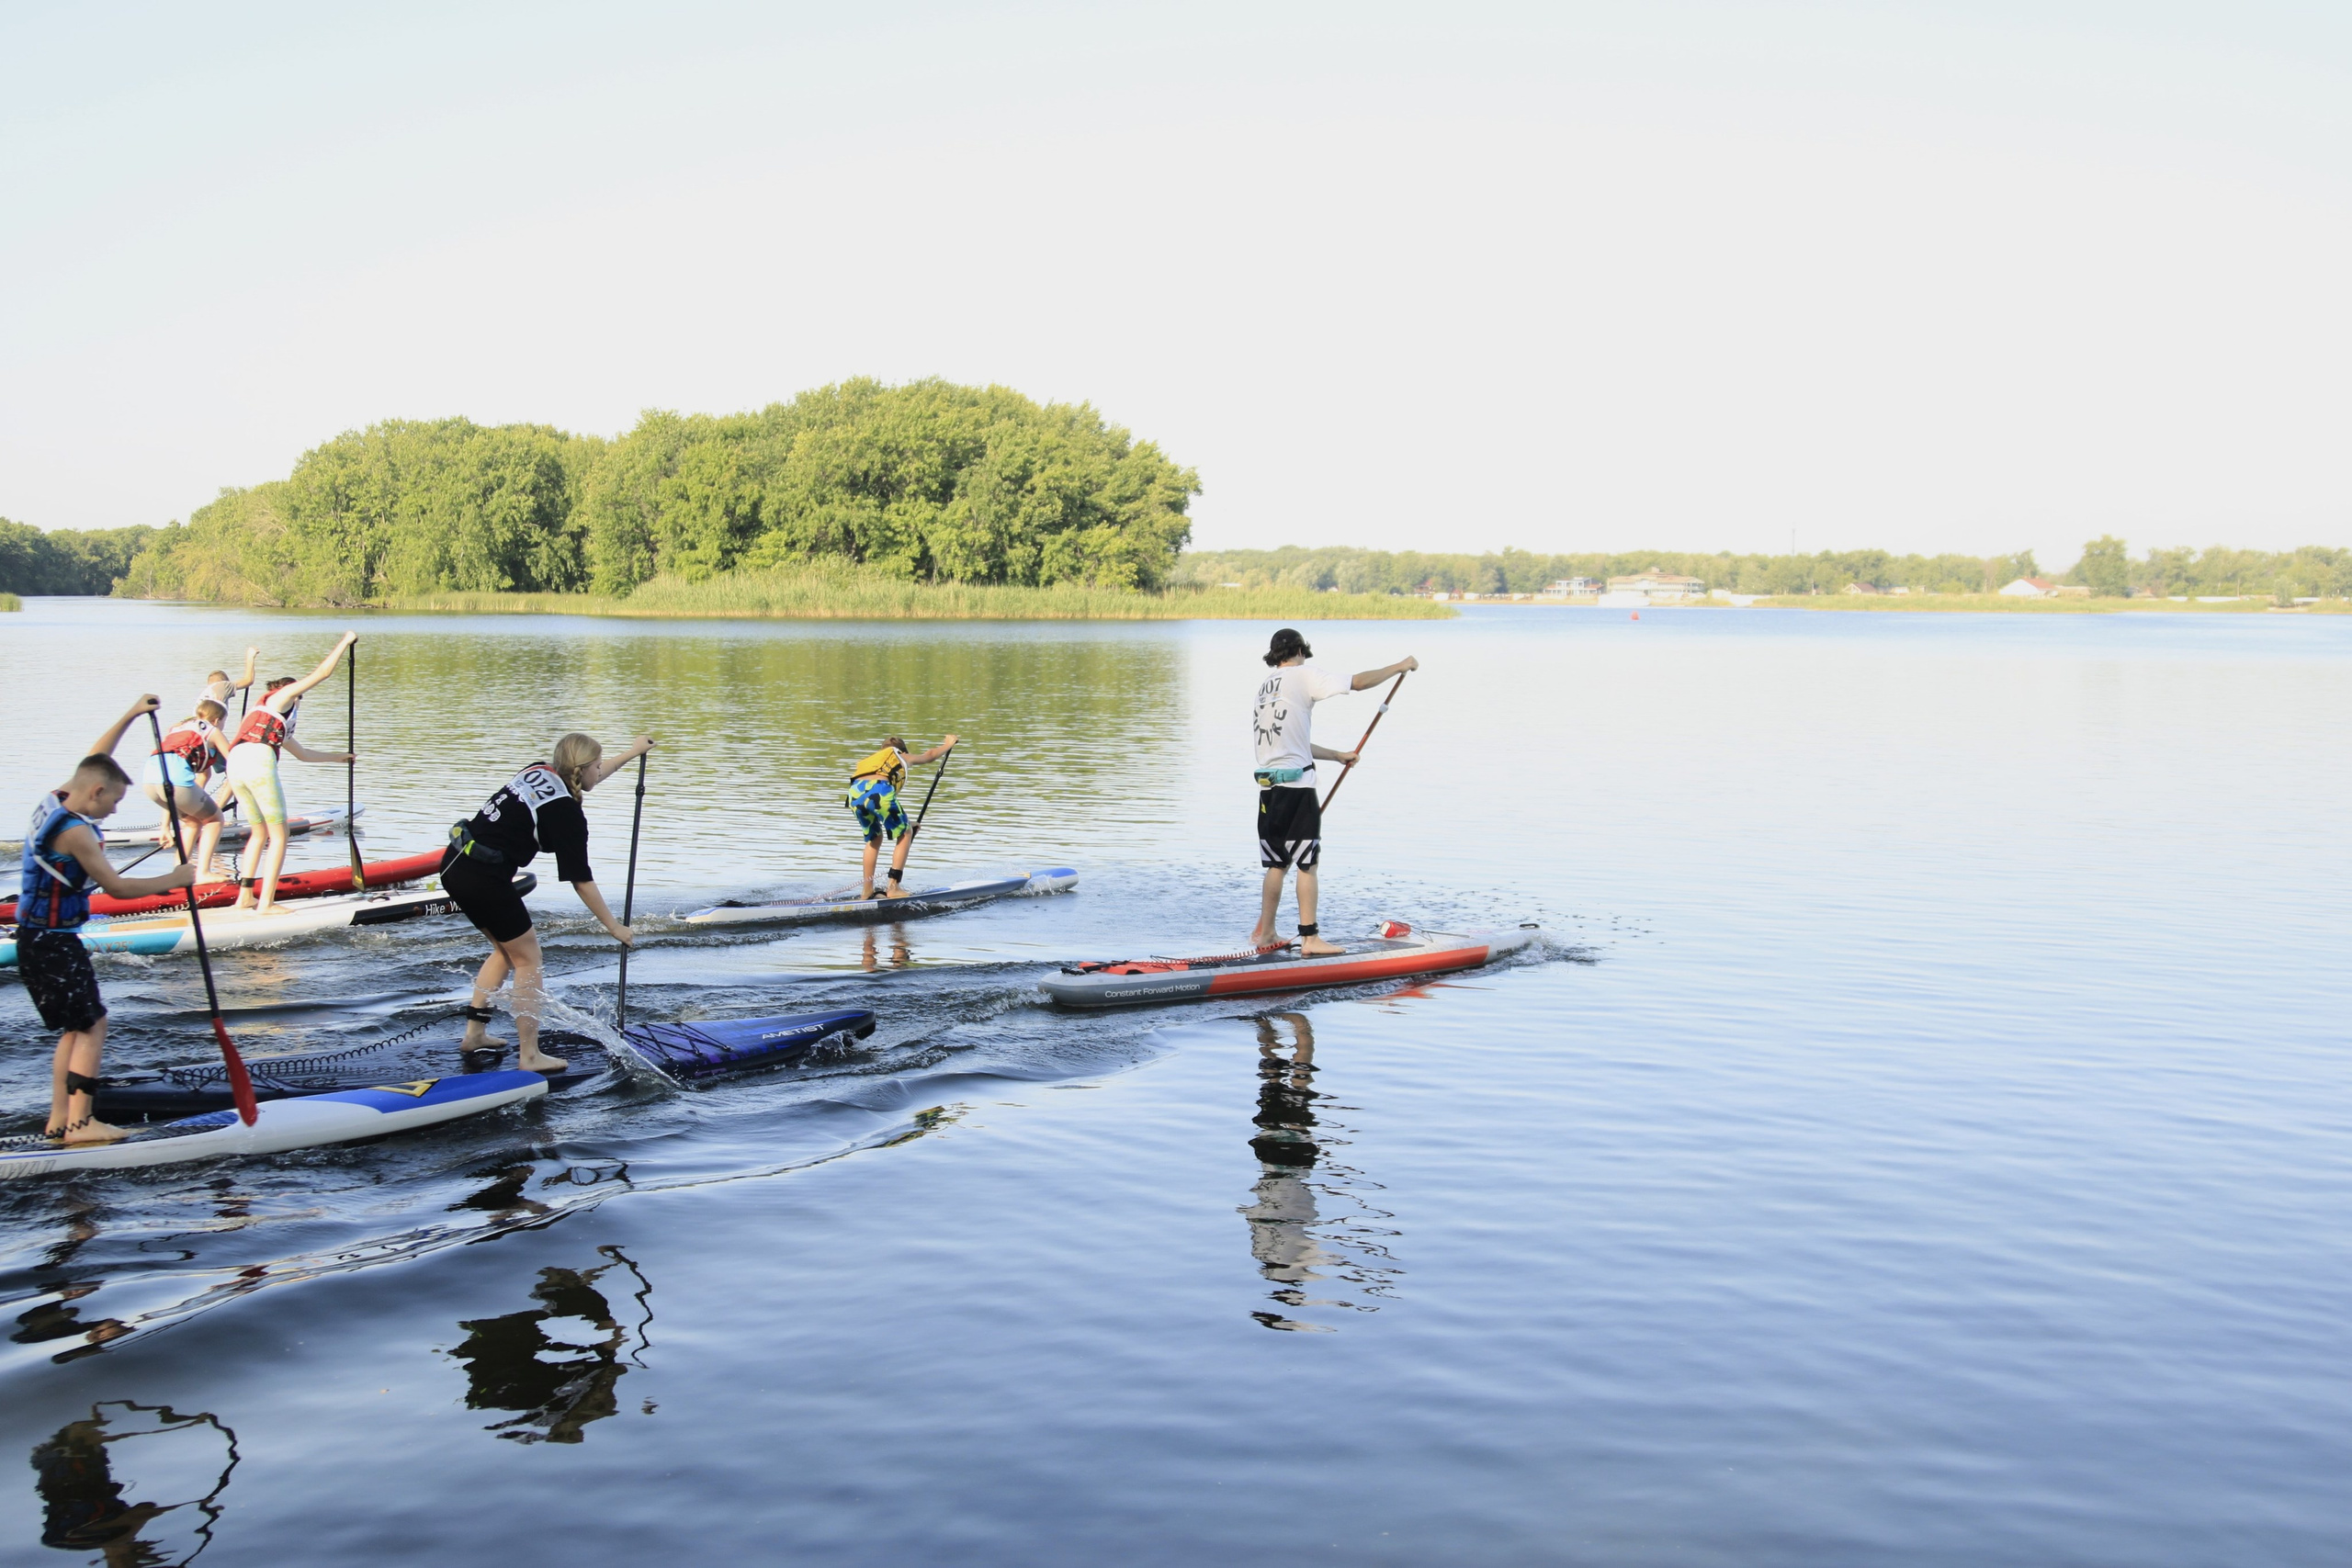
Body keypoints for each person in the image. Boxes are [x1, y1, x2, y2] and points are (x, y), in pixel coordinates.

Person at [19, 696, 200, 1145]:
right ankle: (82, 1125)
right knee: (94, 1024)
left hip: (37, 939)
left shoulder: (57, 797)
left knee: (77, 1028)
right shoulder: (76, 832)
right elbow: (116, 889)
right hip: (53, 943)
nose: (116, 811)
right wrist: (173, 879)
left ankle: (60, 1121)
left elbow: (96, 760)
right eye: (115, 801)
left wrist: (132, 715)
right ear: (96, 792)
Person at [444, 732, 651, 1074]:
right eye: (597, 766)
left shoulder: (538, 770)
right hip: (483, 880)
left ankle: (475, 1034)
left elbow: (591, 776)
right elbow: (580, 879)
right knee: (529, 960)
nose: (601, 772)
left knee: (505, 952)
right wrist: (614, 927)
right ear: (582, 769)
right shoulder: (566, 814)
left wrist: (633, 752)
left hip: (455, 867)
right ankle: (530, 1056)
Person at [1248, 628, 1417, 955]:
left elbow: (1290, 744)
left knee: (1276, 863)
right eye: (1303, 654)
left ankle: (1266, 934)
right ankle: (1310, 940)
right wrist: (1400, 665)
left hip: (1268, 789)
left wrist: (1337, 755)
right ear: (1299, 651)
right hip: (1297, 788)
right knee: (1307, 863)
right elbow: (1359, 682)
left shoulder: (1264, 688)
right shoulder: (1303, 675)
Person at [223, 634, 356, 914]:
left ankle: (245, 897)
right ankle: (267, 904)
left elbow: (303, 754)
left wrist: (340, 758)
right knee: (280, 834)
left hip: (236, 763)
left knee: (259, 832)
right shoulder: (283, 698)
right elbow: (322, 672)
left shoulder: (267, 716)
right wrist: (345, 641)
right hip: (257, 761)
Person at [845, 734, 957, 899]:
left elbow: (875, 801)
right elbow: (930, 756)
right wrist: (948, 744)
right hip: (879, 790)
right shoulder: (899, 755)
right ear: (902, 750)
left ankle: (867, 891)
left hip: (854, 793)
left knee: (874, 839)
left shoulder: (872, 760)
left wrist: (906, 823)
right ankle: (893, 887)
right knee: (905, 833)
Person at [141, 698, 232, 880]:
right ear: (217, 720)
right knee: (215, 820)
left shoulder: (178, 728)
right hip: (176, 782)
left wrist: (165, 827)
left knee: (192, 822)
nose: (222, 726)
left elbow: (195, 780)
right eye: (223, 722)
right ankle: (203, 872)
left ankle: (179, 872)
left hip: (149, 780)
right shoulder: (212, 730)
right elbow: (234, 761)